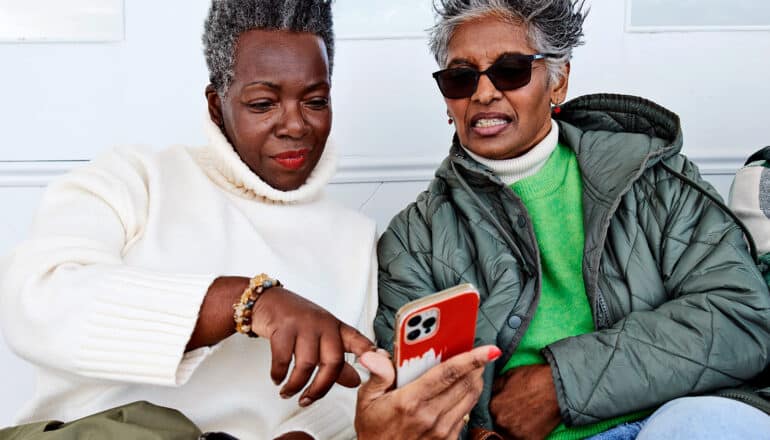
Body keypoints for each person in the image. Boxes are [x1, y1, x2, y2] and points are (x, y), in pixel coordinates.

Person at [375, 0, 770, 439]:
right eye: (460, 77)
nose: (483, 93)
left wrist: (564, 384)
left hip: (674, 421)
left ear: (558, 80)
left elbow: (743, 318)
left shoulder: (652, 178)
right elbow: (416, 397)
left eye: (510, 70)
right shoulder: (413, 240)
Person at [1, 1, 378, 438]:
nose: (294, 125)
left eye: (315, 100)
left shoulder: (354, 239)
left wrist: (305, 435)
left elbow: (351, 390)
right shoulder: (133, 181)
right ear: (217, 106)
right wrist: (247, 300)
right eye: (262, 104)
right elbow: (38, 302)